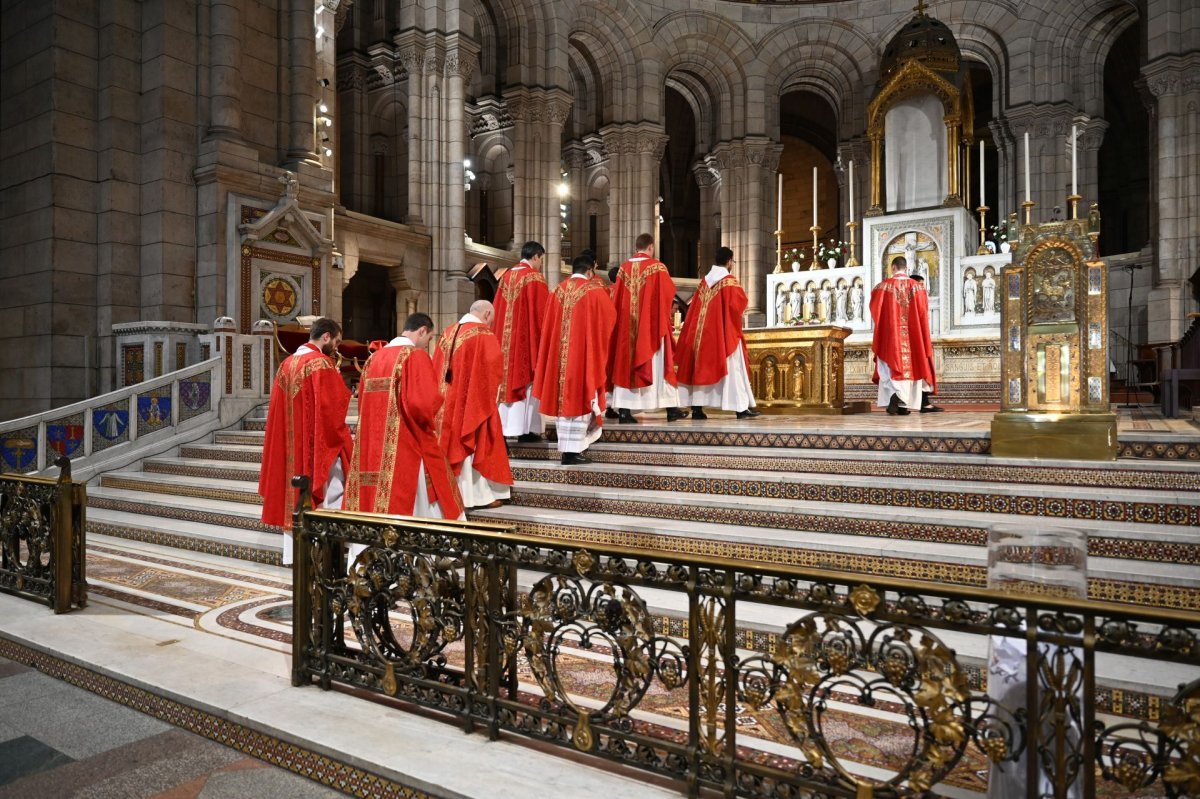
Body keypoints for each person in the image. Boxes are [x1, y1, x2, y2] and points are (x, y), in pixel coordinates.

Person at [344, 313, 464, 520]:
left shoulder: (373, 359)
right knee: (418, 503)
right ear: (422, 330)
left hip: (371, 446)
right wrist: (437, 406)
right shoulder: (414, 356)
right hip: (406, 443)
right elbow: (421, 404)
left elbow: (363, 401)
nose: (426, 345)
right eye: (428, 339)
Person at [258, 317, 354, 565]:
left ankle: (293, 555)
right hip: (314, 445)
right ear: (326, 337)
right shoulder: (320, 364)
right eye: (337, 341)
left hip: (290, 442)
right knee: (333, 487)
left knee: (294, 493)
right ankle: (324, 552)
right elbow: (334, 410)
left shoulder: (286, 364)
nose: (337, 346)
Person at [534, 255, 616, 464]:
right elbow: (610, 318)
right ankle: (571, 453)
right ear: (590, 271)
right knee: (579, 398)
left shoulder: (557, 291)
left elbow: (548, 326)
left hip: (559, 359)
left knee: (565, 404)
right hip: (582, 358)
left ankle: (568, 450)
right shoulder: (594, 291)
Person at [432, 300, 513, 510]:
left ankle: (453, 493)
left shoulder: (447, 333)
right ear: (486, 314)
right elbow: (493, 370)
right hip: (469, 403)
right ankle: (476, 497)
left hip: (444, 403)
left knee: (451, 444)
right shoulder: (483, 334)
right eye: (491, 320)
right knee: (472, 440)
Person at [609, 233, 687, 423]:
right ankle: (671, 409)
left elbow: (616, 300)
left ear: (637, 247)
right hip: (651, 328)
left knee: (625, 367)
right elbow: (668, 294)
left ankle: (625, 411)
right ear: (651, 247)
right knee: (661, 365)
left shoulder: (623, 269)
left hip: (627, 330)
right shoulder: (657, 267)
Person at [676, 246, 760, 420]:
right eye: (733, 262)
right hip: (723, 334)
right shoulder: (729, 281)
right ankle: (740, 408)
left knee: (699, 368)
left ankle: (697, 409)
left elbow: (694, 310)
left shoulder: (704, 282)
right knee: (733, 367)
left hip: (701, 337)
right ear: (729, 261)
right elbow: (739, 304)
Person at [493, 240, 549, 442]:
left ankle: (505, 430)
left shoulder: (505, 276)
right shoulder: (535, 279)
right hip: (525, 342)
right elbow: (543, 315)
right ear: (535, 256)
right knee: (527, 381)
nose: (541, 264)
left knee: (506, 381)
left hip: (504, 343)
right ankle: (525, 431)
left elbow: (497, 311)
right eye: (541, 259)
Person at [870, 256, 940, 415]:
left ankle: (897, 397)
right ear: (906, 268)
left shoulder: (881, 287)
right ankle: (902, 404)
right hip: (913, 335)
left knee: (889, 365)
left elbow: (875, 311)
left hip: (891, 337)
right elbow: (923, 313)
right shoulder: (918, 287)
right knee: (913, 365)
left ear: (893, 268)